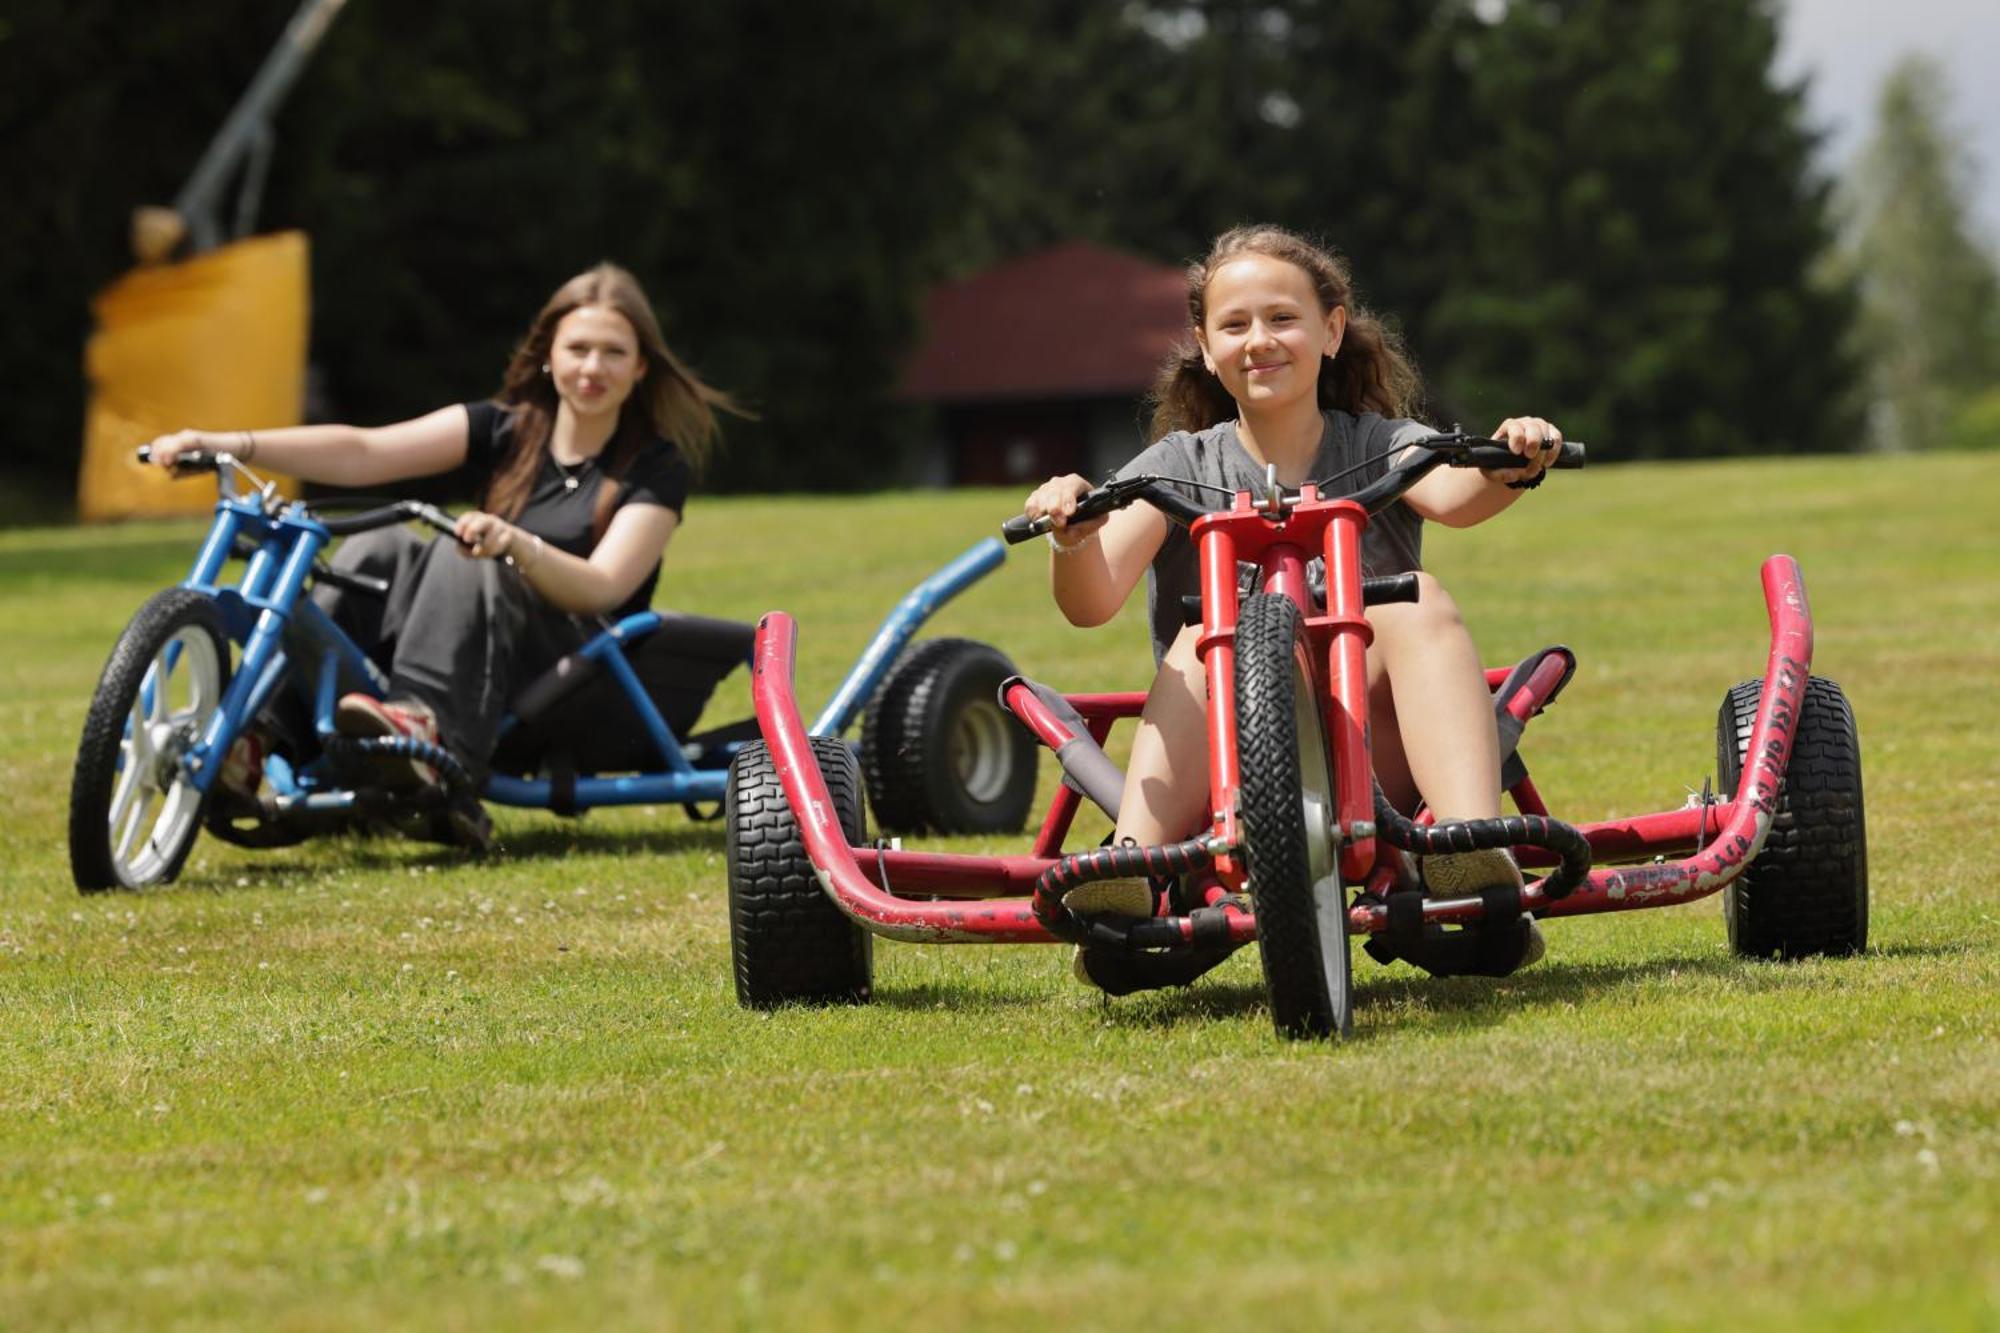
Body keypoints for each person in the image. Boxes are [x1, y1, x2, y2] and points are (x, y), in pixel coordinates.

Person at [1020, 224, 1564, 986]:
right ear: (1206, 348)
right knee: (1209, 629)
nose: (1259, 341)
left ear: (1331, 331)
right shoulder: (1181, 463)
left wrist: (1514, 459)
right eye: (1234, 325)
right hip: (1229, 778)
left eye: (1282, 318)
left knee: (1415, 602)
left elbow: (1455, 493)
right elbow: (1092, 600)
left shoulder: (1378, 443)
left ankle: (1472, 848)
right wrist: (1074, 537)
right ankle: (1132, 864)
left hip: (1378, 768)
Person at [146, 261, 742, 809]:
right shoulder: (505, 430)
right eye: (578, 349)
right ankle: (259, 739)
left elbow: (604, 587)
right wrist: (230, 444)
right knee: (380, 548)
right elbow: (364, 450)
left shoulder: (655, 467)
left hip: (573, 674)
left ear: (640, 368)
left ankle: (424, 731)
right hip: (473, 650)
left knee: (472, 552)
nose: (592, 368)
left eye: (613, 353)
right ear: (547, 356)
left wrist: (517, 545)